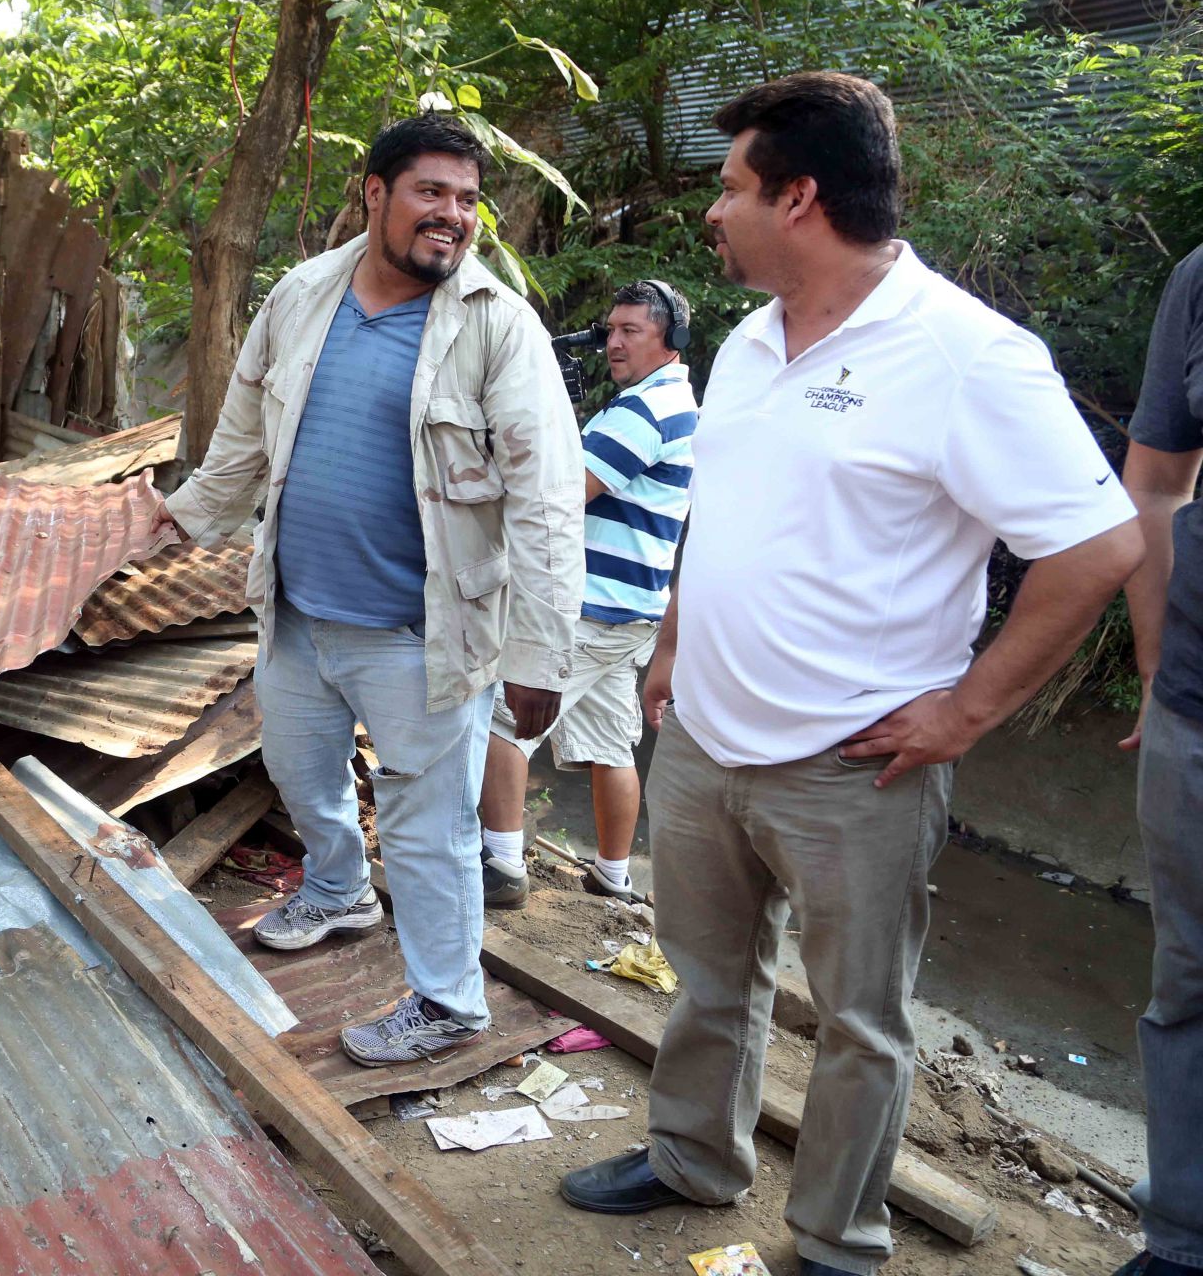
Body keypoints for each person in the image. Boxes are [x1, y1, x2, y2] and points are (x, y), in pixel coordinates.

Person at [557, 73, 1142, 1276]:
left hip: (853, 770)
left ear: (801, 196)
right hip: (707, 743)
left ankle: (833, 1243)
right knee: (709, 982)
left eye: (730, 189)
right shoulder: (751, 342)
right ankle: (691, 1160)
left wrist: (966, 712)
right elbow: (717, 510)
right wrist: (670, 646)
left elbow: (1098, 547)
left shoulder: (969, 355)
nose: (712, 214)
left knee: (859, 1029)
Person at [155, 113, 584, 1066]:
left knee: (430, 832)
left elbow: (548, 504)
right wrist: (173, 522)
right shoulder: (303, 296)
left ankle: (449, 1003)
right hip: (297, 615)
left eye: (469, 201)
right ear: (375, 192)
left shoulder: (497, 328)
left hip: (420, 636)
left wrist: (540, 657)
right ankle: (340, 891)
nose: (454, 216)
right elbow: (242, 445)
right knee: (303, 780)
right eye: (433, 193)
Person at [480, 280, 698, 908]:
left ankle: (500, 866)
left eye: (631, 330)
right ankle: (613, 875)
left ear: (672, 340)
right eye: (611, 329)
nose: (613, 342)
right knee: (609, 740)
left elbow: (561, 492)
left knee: (502, 718)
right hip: (632, 607)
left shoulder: (644, 411)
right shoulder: (663, 403)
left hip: (594, 604)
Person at [1116, 240, 1203, 1276]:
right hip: (1191, 708)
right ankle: (1181, 1241)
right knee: (1187, 984)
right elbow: (1156, 483)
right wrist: (1152, 661)